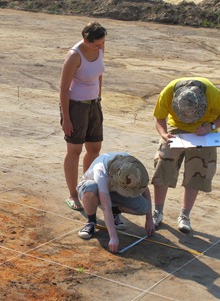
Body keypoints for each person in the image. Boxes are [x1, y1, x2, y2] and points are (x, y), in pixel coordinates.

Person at [151, 77, 220, 234]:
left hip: (204, 131)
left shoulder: (212, 93)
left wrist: (211, 127)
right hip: (176, 130)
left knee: (197, 171)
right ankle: (157, 212)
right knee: (163, 164)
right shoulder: (168, 92)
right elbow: (159, 117)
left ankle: (184, 216)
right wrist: (164, 134)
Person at [59, 21, 106, 212]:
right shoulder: (74, 56)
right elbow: (63, 89)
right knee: (75, 150)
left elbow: (99, 73)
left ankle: (87, 187)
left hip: (94, 104)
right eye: (97, 44)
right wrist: (67, 118)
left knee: (94, 148)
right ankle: (72, 194)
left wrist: (99, 96)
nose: (101, 47)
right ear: (86, 40)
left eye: (102, 43)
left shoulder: (100, 47)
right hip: (76, 107)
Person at [77, 152, 155, 253]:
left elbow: (144, 189)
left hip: (113, 192)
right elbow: (106, 206)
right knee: (90, 188)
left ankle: (115, 211)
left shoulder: (132, 165)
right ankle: (91, 222)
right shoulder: (101, 171)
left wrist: (149, 219)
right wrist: (113, 237)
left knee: (144, 207)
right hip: (92, 190)